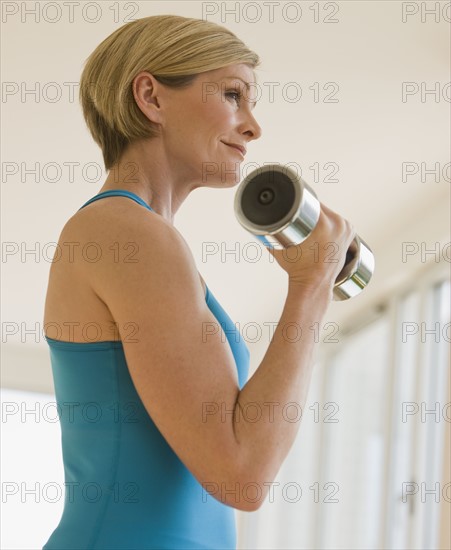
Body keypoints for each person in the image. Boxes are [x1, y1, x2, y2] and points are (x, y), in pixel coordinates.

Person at [42, 14, 355, 550]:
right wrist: (309, 288)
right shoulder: (126, 232)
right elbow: (241, 474)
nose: (254, 126)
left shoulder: (143, 237)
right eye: (234, 95)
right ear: (151, 97)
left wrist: (315, 282)